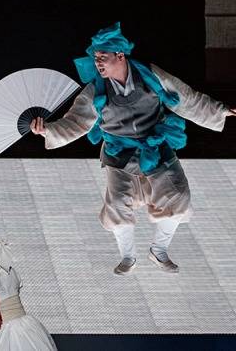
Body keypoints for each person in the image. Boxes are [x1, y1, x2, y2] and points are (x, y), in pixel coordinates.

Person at [30, 22, 235, 274]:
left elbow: (186, 98)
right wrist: (48, 130)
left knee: (178, 196)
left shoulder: (150, 75)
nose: (98, 63)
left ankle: (159, 250)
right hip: (119, 153)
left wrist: (219, 110)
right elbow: (76, 121)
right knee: (117, 204)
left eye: (103, 57)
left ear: (120, 55)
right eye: (96, 58)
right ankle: (128, 256)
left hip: (155, 146)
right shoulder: (96, 90)